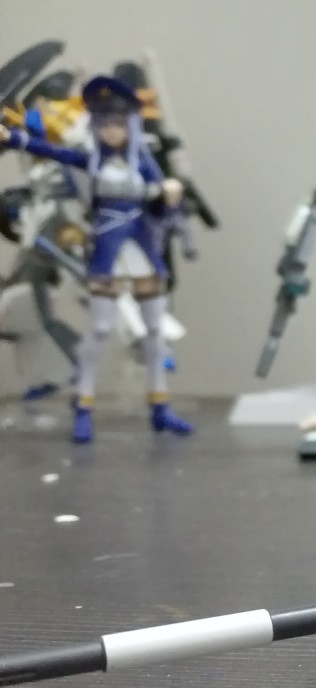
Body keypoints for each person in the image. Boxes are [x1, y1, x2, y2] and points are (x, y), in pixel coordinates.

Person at [0, 75, 192, 443]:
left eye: (118, 123)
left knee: (154, 332)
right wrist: (16, 138)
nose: (111, 131)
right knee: (101, 329)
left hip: (142, 247)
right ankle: (84, 405)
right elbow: (55, 152)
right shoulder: (91, 159)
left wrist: (169, 196)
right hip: (107, 248)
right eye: (104, 123)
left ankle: (160, 407)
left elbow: (163, 204)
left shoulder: (142, 161)